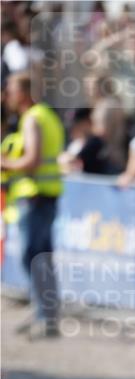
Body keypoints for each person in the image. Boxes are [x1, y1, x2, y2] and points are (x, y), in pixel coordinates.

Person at [0, 71, 64, 338]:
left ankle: (44, 315)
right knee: (42, 257)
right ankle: (46, 314)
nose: (8, 96)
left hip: (34, 195)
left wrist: (4, 163)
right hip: (46, 194)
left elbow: (33, 160)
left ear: (24, 93)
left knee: (32, 256)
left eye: (12, 90)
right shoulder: (47, 115)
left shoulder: (32, 118)